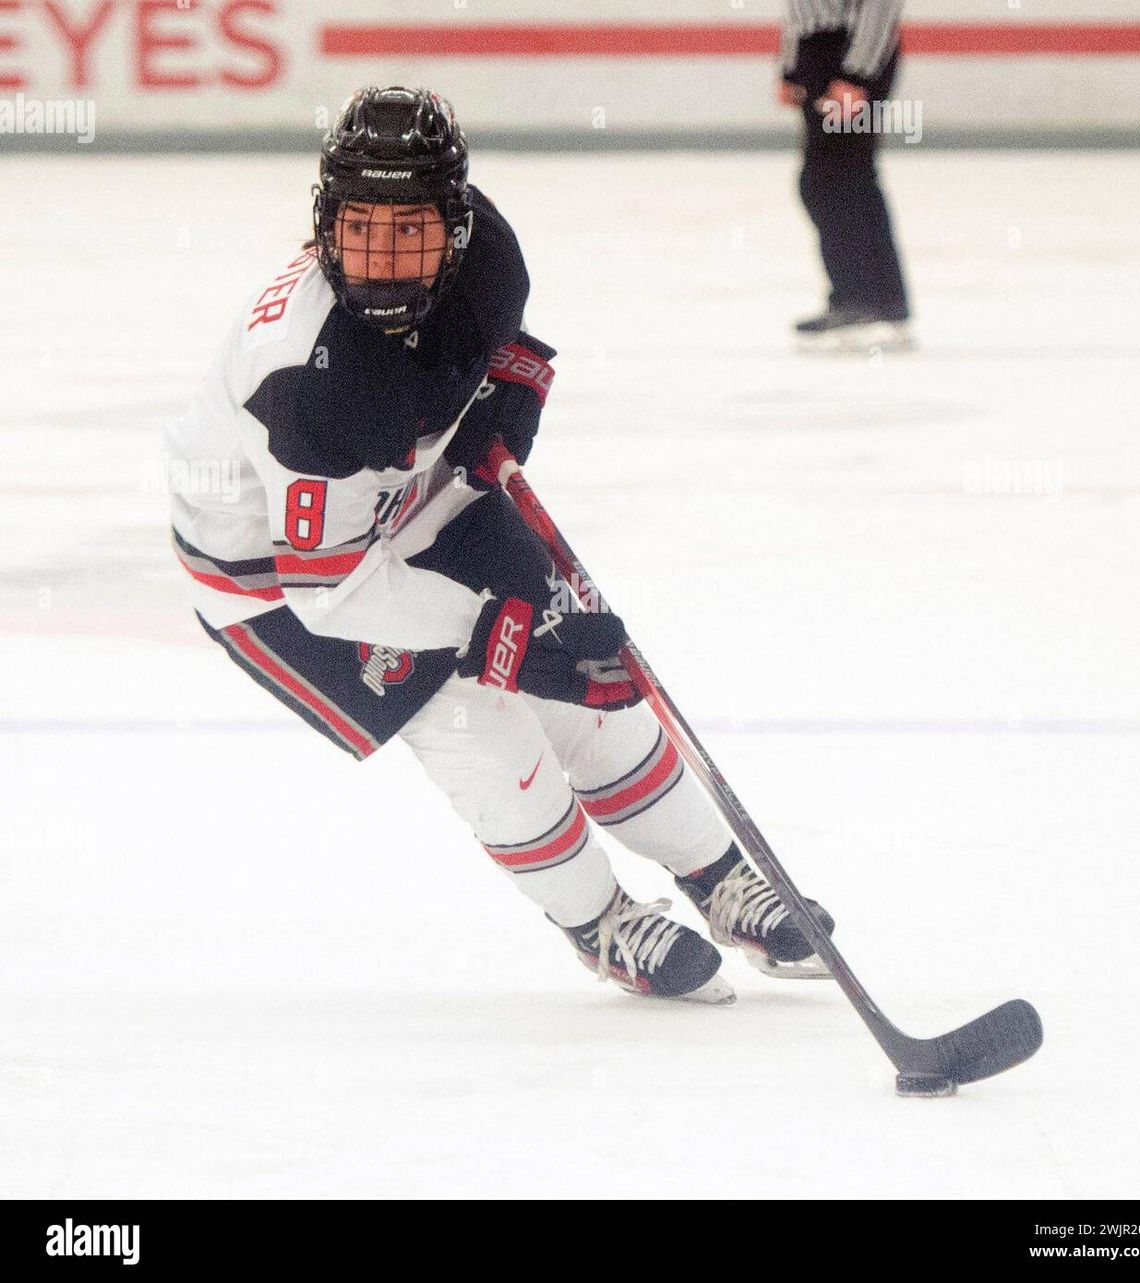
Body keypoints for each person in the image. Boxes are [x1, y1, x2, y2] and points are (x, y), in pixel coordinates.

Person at [167, 86, 835, 1004]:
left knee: (589, 688)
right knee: (473, 715)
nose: (384, 262)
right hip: (279, 580)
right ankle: (597, 920)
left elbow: (488, 347)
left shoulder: (487, 258)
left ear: (457, 222)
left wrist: (503, 402)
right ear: (323, 225)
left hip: (414, 498)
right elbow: (331, 589)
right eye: (361, 230)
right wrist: (494, 634)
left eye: (412, 232)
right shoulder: (305, 379)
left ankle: (719, 875)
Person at [780, 0, 912, 350]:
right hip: (820, 58)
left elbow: (881, 7)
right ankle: (873, 300)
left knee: (838, 179)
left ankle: (864, 300)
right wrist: (791, 67)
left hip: (848, 55)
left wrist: (857, 74)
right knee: (832, 180)